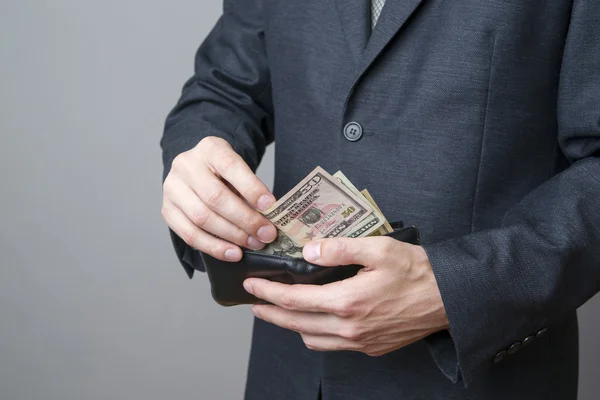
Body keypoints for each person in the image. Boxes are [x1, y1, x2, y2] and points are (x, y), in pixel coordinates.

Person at [160, 1, 600, 399]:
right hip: (290, 374)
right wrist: (197, 155)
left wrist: (458, 289)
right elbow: (224, 86)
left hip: (477, 382)